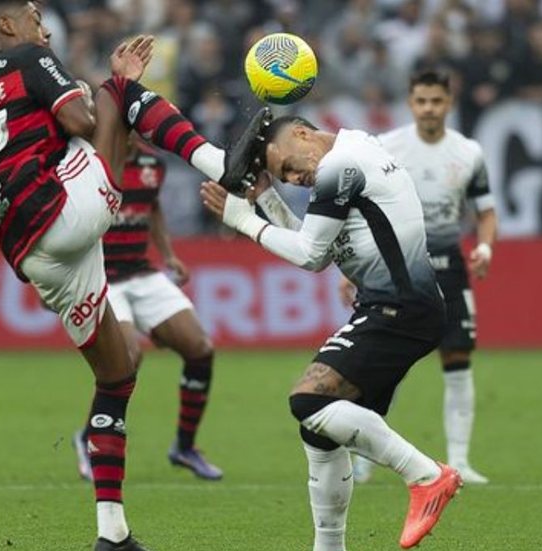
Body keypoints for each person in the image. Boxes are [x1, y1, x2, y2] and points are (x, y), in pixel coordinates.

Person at [0, 1, 257, 548]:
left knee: (117, 375)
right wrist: (106, 85)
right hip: (61, 212)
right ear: (7, 24)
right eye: (32, 14)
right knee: (119, 92)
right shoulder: (31, 56)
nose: (43, 25)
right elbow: (83, 122)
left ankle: (113, 534)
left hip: (31, 250)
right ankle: (222, 165)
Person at [201, 111, 463, 551]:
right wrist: (267, 201)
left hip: (398, 306)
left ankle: (427, 476)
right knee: (320, 430)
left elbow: (307, 255)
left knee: (309, 400)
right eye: (282, 177)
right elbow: (320, 252)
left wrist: (242, 220)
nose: (293, 178)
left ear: (303, 134)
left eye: (287, 166)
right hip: (401, 306)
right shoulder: (356, 149)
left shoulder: (341, 165)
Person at [342, 69, 497, 485]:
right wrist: (352, 264)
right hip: (393, 266)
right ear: (411, 104)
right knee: (379, 362)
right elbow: (360, 208)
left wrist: (485, 246)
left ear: (449, 103)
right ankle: (365, 460)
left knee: (458, 359)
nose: (429, 109)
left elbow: (484, 211)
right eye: (421, 101)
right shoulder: (389, 148)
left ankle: (460, 460)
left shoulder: (468, 153)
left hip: (448, 264)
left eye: (437, 101)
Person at [71, 137, 222, 483]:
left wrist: (168, 254)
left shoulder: (153, 165)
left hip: (142, 273)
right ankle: (89, 437)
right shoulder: (92, 161)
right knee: (127, 359)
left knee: (200, 349)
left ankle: (184, 446)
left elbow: (152, 208)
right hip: (103, 278)